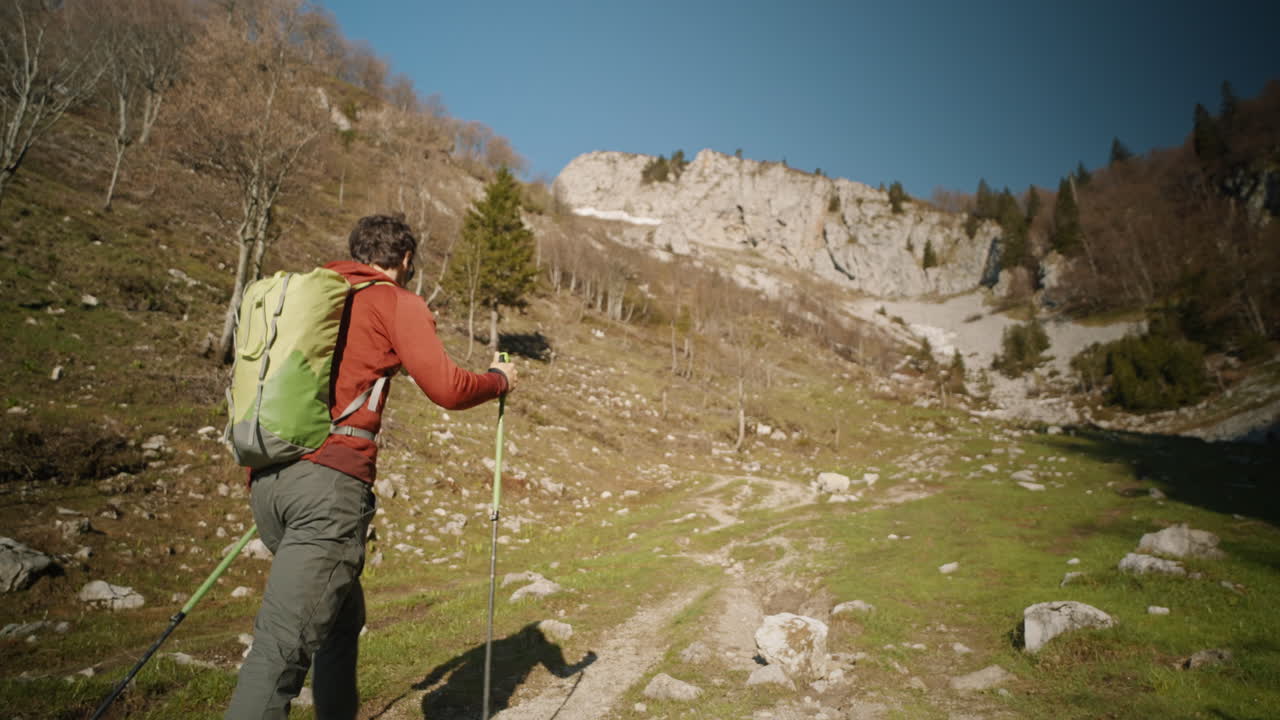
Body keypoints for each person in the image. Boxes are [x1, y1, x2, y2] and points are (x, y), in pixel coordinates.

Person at [226, 214, 516, 719]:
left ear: (356, 251)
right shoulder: (394, 301)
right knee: (280, 649)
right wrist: (499, 380)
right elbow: (448, 388)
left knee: (339, 617)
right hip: (328, 489)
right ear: (405, 260)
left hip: (268, 482)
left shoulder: (318, 297)